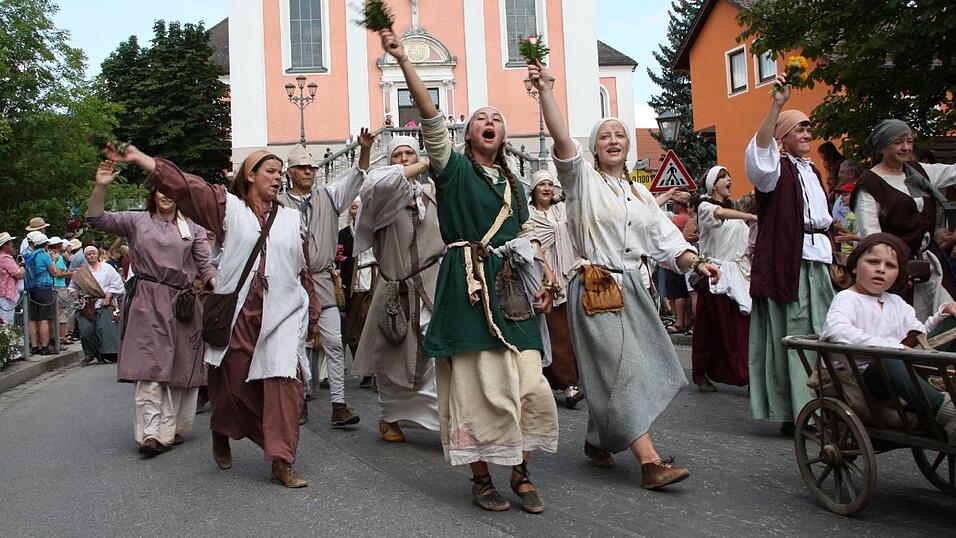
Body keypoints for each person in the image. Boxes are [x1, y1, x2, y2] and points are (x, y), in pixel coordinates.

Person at [380, 29, 558, 514]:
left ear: (504, 135)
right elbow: (433, 122)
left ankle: (521, 469)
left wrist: (541, 276)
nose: (489, 122)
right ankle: (482, 478)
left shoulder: (517, 185)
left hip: (511, 291)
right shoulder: (453, 169)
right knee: (475, 386)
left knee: (529, 384)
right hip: (467, 285)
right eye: (481, 117)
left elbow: (525, 238)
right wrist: (403, 63)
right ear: (470, 132)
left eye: (497, 119)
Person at [533, 60, 718, 489]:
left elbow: (664, 242)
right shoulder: (582, 179)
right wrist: (545, 91)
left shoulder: (638, 193)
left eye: (619, 135)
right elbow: (562, 139)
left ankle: (600, 439)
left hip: (635, 286)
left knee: (632, 367)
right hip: (596, 285)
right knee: (620, 370)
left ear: (629, 145)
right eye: (604, 137)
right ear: (594, 149)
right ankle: (650, 462)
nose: (612, 141)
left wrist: (693, 261)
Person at [102, 143, 320, 489]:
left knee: (284, 386)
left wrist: (313, 311)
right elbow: (186, 187)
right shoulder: (227, 208)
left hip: (281, 313)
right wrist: (141, 159)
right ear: (250, 176)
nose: (279, 178)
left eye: (281, 173)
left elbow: (302, 268)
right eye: (271, 172)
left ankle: (282, 461)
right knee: (231, 384)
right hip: (237, 313)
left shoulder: (293, 218)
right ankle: (222, 428)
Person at [86, 160, 217, 456]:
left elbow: (205, 265)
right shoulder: (137, 221)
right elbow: (95, 218)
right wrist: (101, 185)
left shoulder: (192, 227)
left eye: (172, 189)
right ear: (154, 192)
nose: (166, 194)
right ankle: (151, 434)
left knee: (179, 370)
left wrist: (217, 287)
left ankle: (171, 429)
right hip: (146, 300)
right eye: (161, 189)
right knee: (150, 368)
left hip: (182, 304)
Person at [745, 74, 835, 436]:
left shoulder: (812, 171)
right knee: (795, 336)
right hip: (789, 264)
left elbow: (819, 218)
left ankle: (827, 404)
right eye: (798, 129)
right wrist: (776, 105)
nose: (807, 134)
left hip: (818, 260)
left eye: (808, 128)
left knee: (827, 333)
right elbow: (759, 153)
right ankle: (797, 410)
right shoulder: (773, 170)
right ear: (782, 139)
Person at [820, 233, 956, 443]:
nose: (881, 269)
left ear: (898, 274)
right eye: (873, 262)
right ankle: (945, 411)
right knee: (887, 357)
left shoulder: (896, 302)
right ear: (855, 266)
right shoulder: (847, 298)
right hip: (868, 377)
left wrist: (942, 314)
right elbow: (836, 331)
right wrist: (893, 347)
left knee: (953, 322)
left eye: (890, 266)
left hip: (905, 368)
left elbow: (919, 338)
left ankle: (945, 385)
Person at [350, 136, 443, 443]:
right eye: (398, 155)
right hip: (395, 290)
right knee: (392, 357)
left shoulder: (431, 195)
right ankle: (391, 417)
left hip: (431, 287)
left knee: (435, 355)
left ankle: (444, 419)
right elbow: (376, 180)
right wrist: (427, 161)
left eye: (410, 154)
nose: (404, 159)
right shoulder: (379, 200)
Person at [277, 142, 366, 427]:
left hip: (324, 281)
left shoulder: (329, 195)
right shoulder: (278, 204)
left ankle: (339, 405)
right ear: (290, 171)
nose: (308, 172)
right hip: (291, 281)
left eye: (312, 168)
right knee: (296, 344)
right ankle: (299, 399)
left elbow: (358, 175)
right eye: (302, 168)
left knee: (333, 343)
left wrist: (364, 149)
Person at [851, 119, 956, 320]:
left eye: (909, 141)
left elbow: (953, 172)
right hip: (896, 268)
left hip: (930, 263)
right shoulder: (870, 185)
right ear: (882, 147)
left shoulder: (919, 172)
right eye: (898, 142)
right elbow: (872, 236)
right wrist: (893, 269)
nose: (906, 147)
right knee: (907, 326)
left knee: (947, 316)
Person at [691, 166, 756, 392]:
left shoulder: (735, 209)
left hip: (738, 274)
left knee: (740, 329)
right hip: (715, 275)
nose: (729, 179)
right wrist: (749, 215)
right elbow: (719, 215)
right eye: (722, 177)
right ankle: (701, 372)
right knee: (710, 330)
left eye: (729, 176)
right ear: (713, 185)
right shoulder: (705, 207)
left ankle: (744, 372)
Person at [527, 169, 585, 408]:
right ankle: (568, 385)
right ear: (533, 189)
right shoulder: (528, 216)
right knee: (556, 333)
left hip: (570, 275)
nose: (547, 188)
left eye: (551, 184)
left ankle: (567, 381)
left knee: (573, 333)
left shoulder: (562, 210)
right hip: (543, 280)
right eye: (542, 184)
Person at [70, 245, 124, 364]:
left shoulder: (107, 268)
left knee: (102, 329)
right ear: (85, 256)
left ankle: (102, 353)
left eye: (94, 253)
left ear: (98, 255)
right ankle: (89, 354)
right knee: (86, 330)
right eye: (89, 254)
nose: (92, 256)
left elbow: (117, 284)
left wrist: (108, 296)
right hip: (87, 304)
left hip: (103, 302)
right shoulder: (81, 272)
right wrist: (77, 295)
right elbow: (72, 287)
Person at [24, 233, 57, 355]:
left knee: (32, 318)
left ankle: (34, 346)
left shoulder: (29, 255)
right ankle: (44, 346)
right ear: (46, 244)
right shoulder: (44, 256)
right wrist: (53, 260)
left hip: (31, 289)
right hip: (44, 288)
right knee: (44, 318)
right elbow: (53, 272)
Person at [47, 237, 75, 346]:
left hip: (54, 286)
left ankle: (57, 336)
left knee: (57, 312)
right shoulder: (57, 258)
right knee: (62, 312)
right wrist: (70, 274)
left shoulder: (52, 256)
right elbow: (58, 274)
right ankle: (62, 336)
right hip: (59, 286)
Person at [0, 232, 24, 328]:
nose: (12, 245)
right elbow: (18, 274)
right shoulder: (5, 258)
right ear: (5, 245)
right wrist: (22, 267)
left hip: (2, 293)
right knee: (6, 322)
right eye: (10, 243)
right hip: (7, 294)